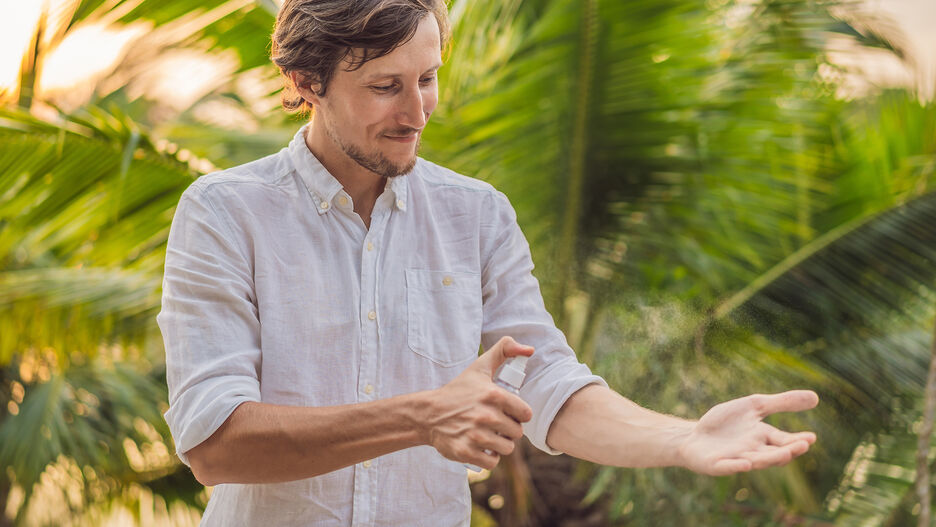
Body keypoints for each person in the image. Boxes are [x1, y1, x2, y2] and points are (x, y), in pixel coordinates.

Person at [157, 0, 819, 525]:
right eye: (386, 86)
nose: (416, 112)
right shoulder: (224, 213)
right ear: (306, 82)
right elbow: (216, 441)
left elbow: (547, 382)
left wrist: (682, 439)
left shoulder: (476, 215)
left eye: (428, 78)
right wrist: (421, 415)